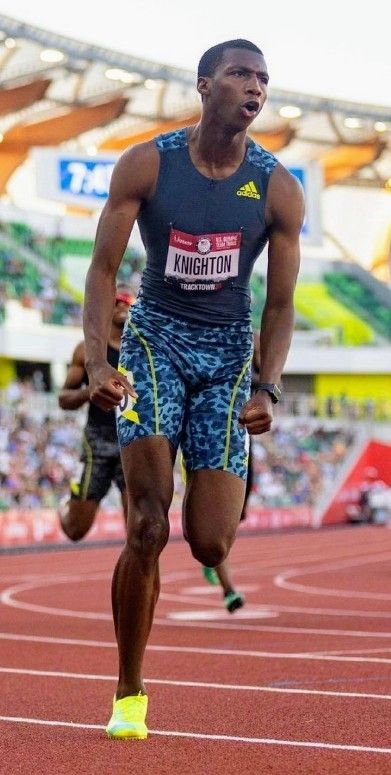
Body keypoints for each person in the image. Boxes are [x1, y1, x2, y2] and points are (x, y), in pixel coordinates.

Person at [83, 39, 304, 740]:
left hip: (227, 356)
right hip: (153, 343)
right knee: (148, 521)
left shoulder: (277, 187)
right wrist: (96, 362)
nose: (255, 87)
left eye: (263, 79)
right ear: (205, 84)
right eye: (241, 74)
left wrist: (266, 386)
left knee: (209, 543)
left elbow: (278, 304)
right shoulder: (147, 164)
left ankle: (224, 489)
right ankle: (128, 692)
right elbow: (100, 268)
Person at [58, 286, 134, 541]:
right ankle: (67, 502)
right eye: (119, 300)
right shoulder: (88, 350)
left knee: (140, 528)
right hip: (98, 440)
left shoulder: (144, 352)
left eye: (130, 301)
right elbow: (64, 398)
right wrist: (89, 392)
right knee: (75, 530)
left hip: (132, 439)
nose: (125, 305)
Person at [202, 332, 260, 611]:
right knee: (212, 519)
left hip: (241, 442)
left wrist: (265, 390)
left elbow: (273, 383)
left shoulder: (255, 343)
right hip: (206, 432)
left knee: (232, 520)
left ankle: (208, 546)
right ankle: (229, 589)